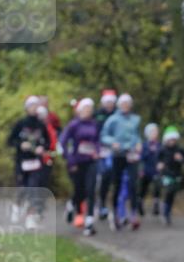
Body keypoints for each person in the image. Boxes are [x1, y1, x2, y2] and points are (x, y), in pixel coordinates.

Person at [59, 98, 102, 235]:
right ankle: (71, 205)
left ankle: (89, 222)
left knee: (90, 190)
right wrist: (70, 161)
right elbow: (64, 143)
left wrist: (97, 151)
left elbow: (97, 141)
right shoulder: (73, 125)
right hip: (76, 163)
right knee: (79, 191)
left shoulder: (94, 124)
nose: (87, 112)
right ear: (79, 110)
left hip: (91, 161)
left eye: (90, 109)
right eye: (85, 109)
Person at [99, 93, 142, 230]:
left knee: (133, 184)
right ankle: (116, 213)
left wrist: (139, 143)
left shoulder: (135, 119)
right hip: (118, 155)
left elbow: (136, 135)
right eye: (123, 104)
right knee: (117, 185)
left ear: (131, 105)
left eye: (127, 104)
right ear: (119, 105)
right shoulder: (113, 119)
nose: (125, 106)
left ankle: (134, 214)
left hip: (131, 155)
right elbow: (104, 136)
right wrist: (113, 143)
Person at [7, 96, 50, 228]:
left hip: (36, 163)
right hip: (22, 162)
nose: (34, 108)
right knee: (23, 189)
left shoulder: (41, 125)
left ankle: (30, 218)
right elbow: (9, 141)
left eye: (36, 106)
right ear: (26, 108)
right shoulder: (20, 123)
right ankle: (17, 205)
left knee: (34, 189)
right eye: (31, 106)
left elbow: (48, 142)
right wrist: (21, 144)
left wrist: (42, 148)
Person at [94, 89, 117, 221]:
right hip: (98, 151)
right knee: (100, 177)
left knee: (110, 178)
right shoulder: (96, 115)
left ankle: (107, 204)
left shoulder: (117, 115)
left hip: (115, 151)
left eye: (111, 102)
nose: (109, 104)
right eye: (107, 102)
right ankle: (98, 203)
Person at [138, 122, 160, 217]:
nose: (154, 133)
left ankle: (156, 205)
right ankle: (140, 204)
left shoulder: (160, 145)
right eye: (152, 132)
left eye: (155, 131)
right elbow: (141, 158)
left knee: (157, 187)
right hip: (146, 170)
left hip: (156, 171)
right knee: (143, 189)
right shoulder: (144, 145)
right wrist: (141, 170)